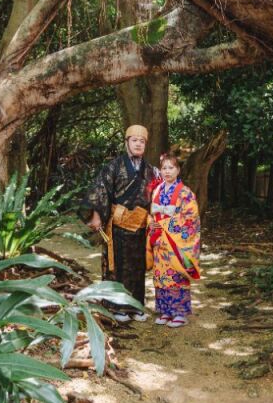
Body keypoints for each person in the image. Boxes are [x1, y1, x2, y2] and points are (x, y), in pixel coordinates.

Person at [79, 125, 159, 322]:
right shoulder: (113, 167)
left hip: (140, 227)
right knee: (117, 266)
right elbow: (99, 190)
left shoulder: (152, 171)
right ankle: (116, 307)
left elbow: (159, 197)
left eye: (142, 141)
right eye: (134, 140)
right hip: (117, 227)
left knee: (138, 266)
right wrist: (95, 216)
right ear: (126, 143)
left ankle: (136, 306)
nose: (138, 144)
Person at [147, 153, 201, 328]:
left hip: (176, 242)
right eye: (164, 168)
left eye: (171, 167)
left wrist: (167, 226)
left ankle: (179, 313)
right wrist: (152, 225)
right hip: (159, 241)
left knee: (176, 274)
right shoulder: (157, 190)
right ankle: (165, 311)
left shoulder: (185, 192)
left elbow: (191, 218)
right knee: (160, 275)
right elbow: (152, 214)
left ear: (178, 170)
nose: (167, 171)